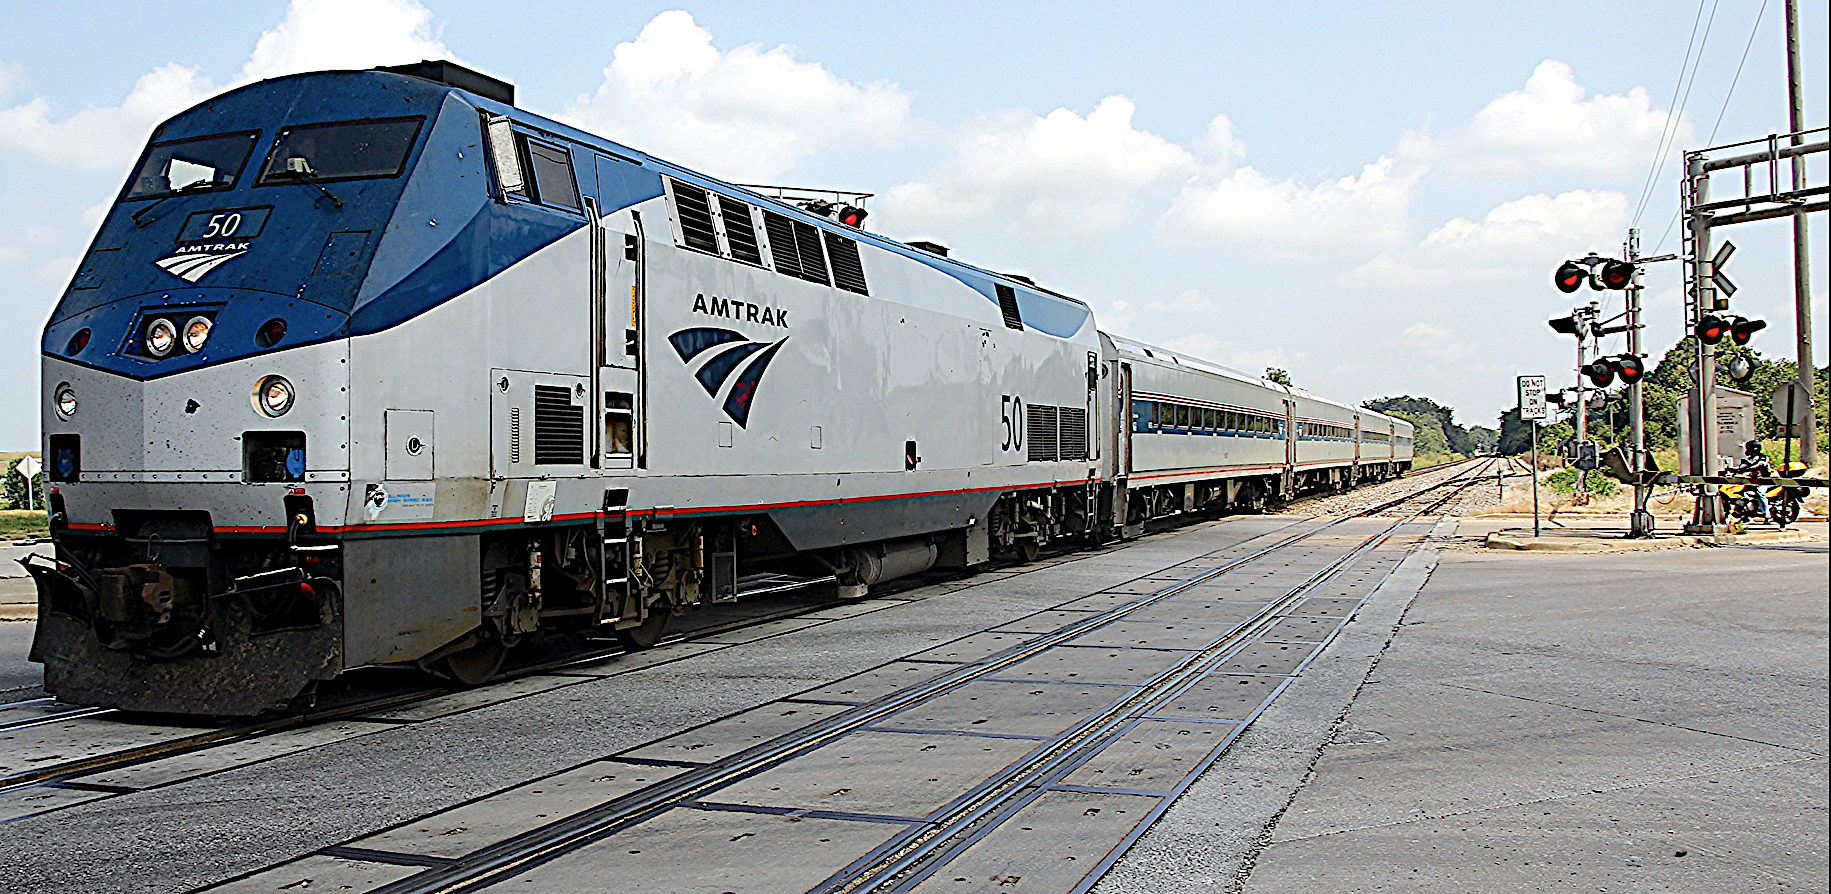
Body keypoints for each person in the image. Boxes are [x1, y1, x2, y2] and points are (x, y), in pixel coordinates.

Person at [1729, 439, 1771, 520]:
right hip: (1753, 481)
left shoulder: (1763, 458)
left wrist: (1748, 469)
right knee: (1742, 492)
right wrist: (1732, 470)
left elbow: (1757, 465)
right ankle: (1745, 513)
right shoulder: (1749, 458)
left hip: (1764, 481)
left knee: (1760, 493)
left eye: (1749, 448)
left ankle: (1767, 514)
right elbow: (1742, 466)